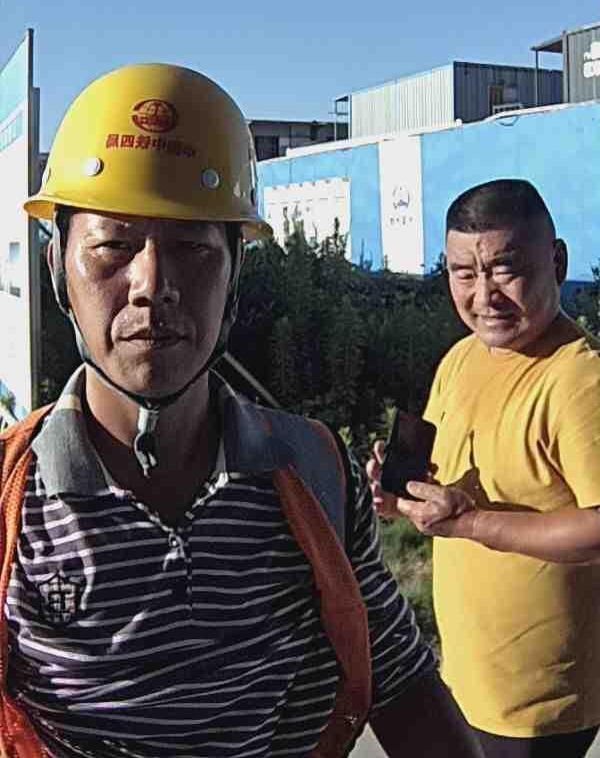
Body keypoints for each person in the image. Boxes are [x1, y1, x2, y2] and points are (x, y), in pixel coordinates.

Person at [0, 62, 482, 758]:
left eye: (193, 249)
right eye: (113, 245)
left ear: (233, 278)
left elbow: (403, 687)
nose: (152, 284)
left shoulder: (313, 474)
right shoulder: (11, 503)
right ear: (58, 271)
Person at [369, 178, 600, 758]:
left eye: (505, 269)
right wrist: (400, 500)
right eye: (464, 273)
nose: (484, 296)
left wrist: (471, 525)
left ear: (557, 261)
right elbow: (451, 484)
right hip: (466, 677)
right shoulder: (461, 357)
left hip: (541, 702)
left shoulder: (578, 380)